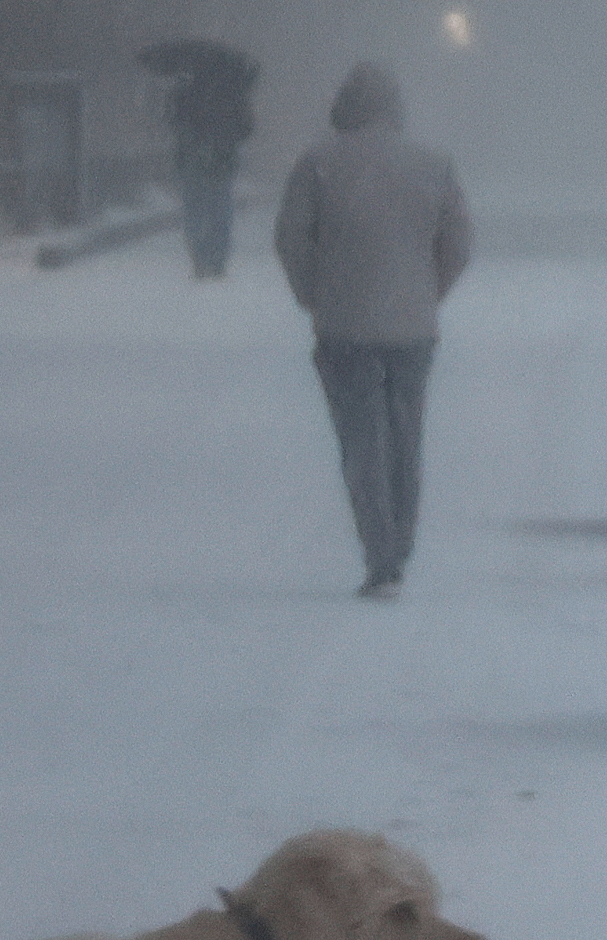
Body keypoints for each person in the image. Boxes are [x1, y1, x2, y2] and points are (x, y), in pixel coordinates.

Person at [273, 62, 472, 599]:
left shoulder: (318, 165)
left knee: (362, 440)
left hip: (344, 327)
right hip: (411, 326)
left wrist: (315, 291)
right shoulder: (434, 167)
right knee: (406, 436)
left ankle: (380, 552)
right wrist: (428, 291)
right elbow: (458, 244)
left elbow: (292, 238)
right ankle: (401, 538)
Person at [148, 41, 260, 278]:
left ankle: (199, 257)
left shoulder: (184, 89)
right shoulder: (232, 90)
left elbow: (171, 121)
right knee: (220, 205)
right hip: (222, 157)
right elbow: (246, 128)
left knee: (194, 207)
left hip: (190, 156)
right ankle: (217, 259)